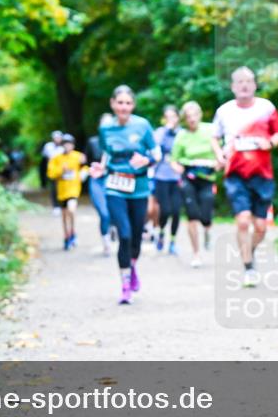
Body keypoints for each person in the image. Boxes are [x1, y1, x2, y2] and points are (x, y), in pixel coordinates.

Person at [211, 66, 278, 287]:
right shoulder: (224, 111)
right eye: (239, 81)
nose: (244, 85)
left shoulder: (266, 108)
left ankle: (248, 251)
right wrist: (219, 154)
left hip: (262, 174)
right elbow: (214, 137)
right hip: (235, 174)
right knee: (243, 221)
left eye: (248, 81)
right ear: (233, 86)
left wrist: (270, 142)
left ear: (254, 85)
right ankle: (248, 267)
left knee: (260, 226)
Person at [90, 86, 158, 305]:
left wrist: (147, 160)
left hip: (139, 187)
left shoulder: (143, 125)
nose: (124, 107)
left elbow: (157, 153)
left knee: (136, 237)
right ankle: (125, 284)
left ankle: (132, 265)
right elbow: (106, 153)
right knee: (125, 235)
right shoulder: (106, 129)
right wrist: (101, 168)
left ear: (133, 105)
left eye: (128, 103)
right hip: (114, 185)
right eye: (120, 103)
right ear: (112, 104)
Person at [170, 101, 219, 268]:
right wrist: (178, 169)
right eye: (188, 116)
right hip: (188, 176)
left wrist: (219, 163)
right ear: (184, 118)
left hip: (207, 177)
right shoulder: (181, 135)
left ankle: (207, 230)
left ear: (200, 115)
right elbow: (174, 160)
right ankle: (196, 253)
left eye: (194, 115)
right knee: (192, 215)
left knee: (205, 216)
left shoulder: (211, 130)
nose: (192, 119)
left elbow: (220, 152)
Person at [46, 134, 87, 251]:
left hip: (74, 189)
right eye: (65, 144)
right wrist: (61, 170)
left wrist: (82, 174)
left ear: (73, 145)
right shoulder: (56, 159)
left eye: (70, 144)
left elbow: (85, 168)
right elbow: (50, 174)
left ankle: (73, 231)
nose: (68, 146)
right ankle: (67, 236)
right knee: (64, 216)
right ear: (62, 145)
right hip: (62, 191)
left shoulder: (78, 156)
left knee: (72, 210)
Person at [152, 105, 183, 255]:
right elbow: (154, 147)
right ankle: (161, 233)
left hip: (177, 177)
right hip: (162, 176)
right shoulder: (160, 132)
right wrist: (166, 129)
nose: (171, 120)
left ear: (178, 118)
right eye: (168, 117)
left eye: (174, 117)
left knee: (176, 211)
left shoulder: (182, 133)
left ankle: (172, 241)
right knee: (165, 210)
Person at [86, 115, 115, 256]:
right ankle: (106, 243)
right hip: (97, 181)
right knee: (104, 213)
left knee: (114, 213)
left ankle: (112, 229)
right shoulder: (93, 142)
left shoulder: (118, 143)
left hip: (114, 180)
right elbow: (86, 163)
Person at [40, 131, 65, 215]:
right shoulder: (48, 146)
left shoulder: (64, 147)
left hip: (62, 171)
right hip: (52, 170)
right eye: (56, 137)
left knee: (61, 188)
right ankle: (56, 206)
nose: (57, 139)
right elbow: (45, 158)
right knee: (54, 188)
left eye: (59, 137)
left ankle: (62, 206)